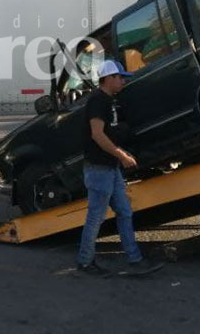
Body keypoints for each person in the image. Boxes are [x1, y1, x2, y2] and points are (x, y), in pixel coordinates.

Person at [76, 60, 162, 276]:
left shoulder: (109, 101)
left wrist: (119, 154)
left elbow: (109, 133)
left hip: (109, 168)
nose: (123, 81)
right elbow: (97, 134)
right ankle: (85, 263)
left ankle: (134, 259)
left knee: (124, 211)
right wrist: (121, 155)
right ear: (109, 78)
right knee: (96, 217)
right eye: (120, 77)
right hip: (99, 169)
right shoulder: (98, 101)